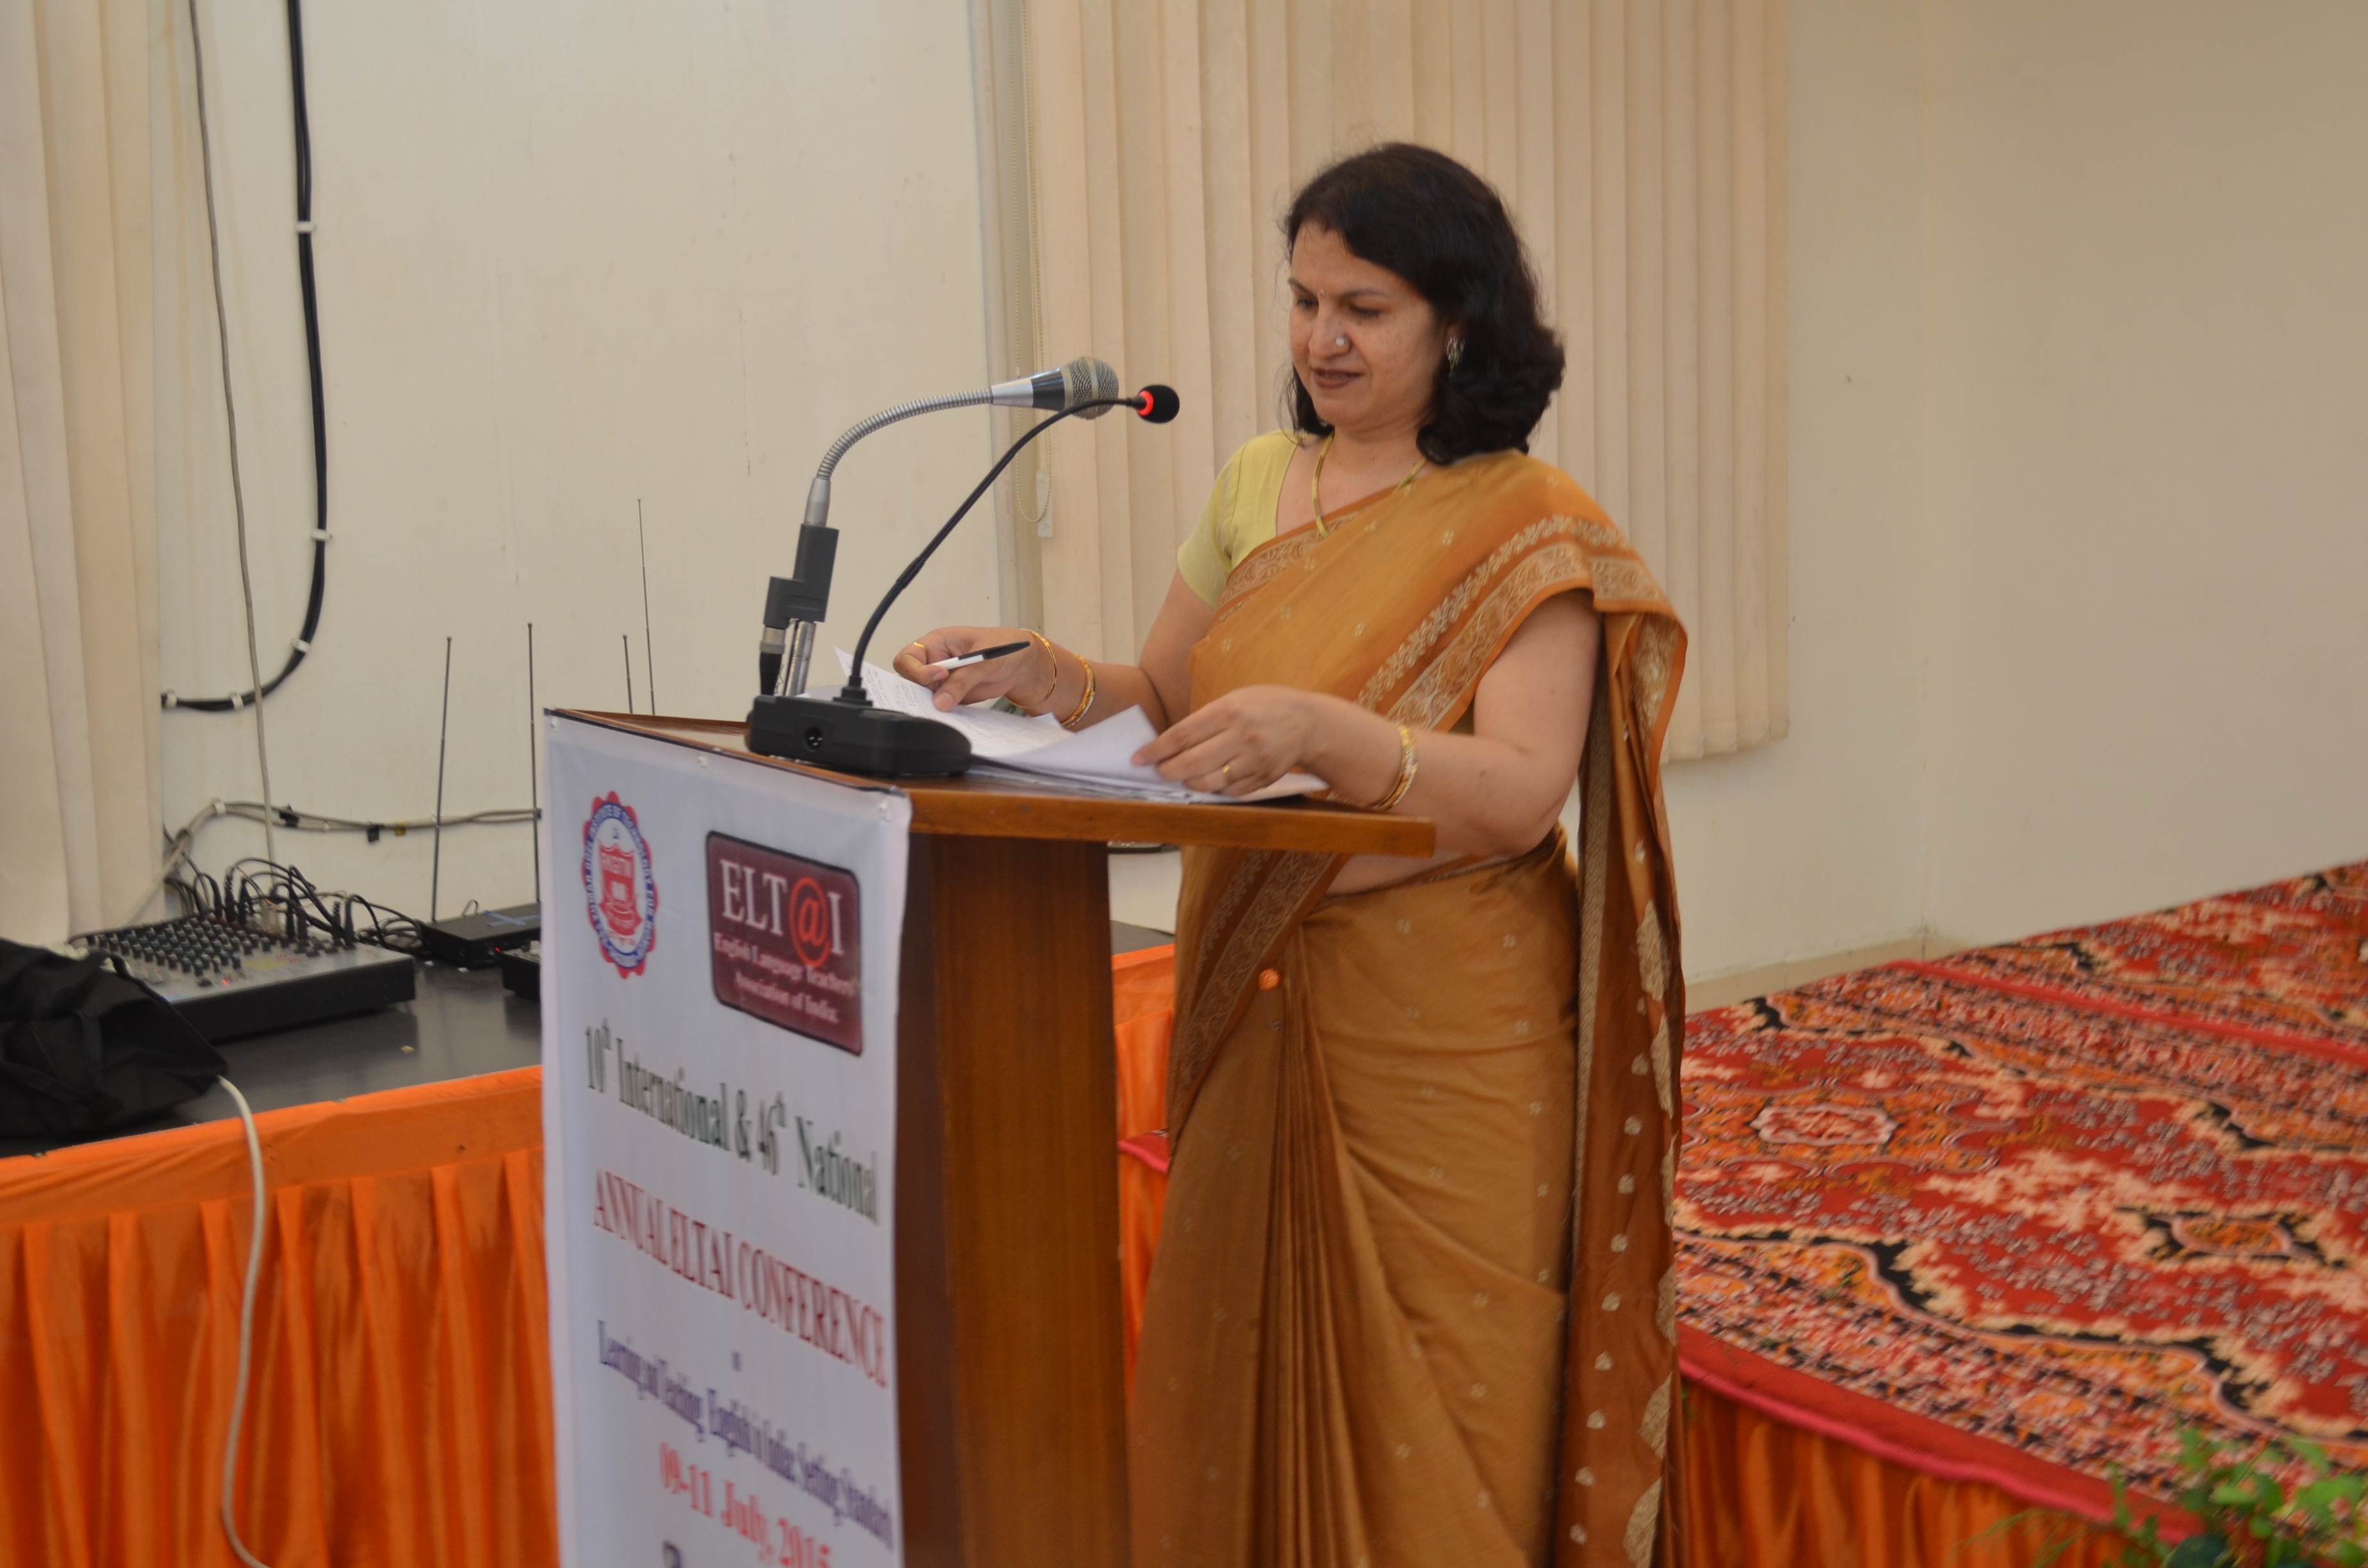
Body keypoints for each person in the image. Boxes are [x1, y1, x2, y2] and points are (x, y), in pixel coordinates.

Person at [892, 143, 1686, 1568]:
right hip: (1255, 993)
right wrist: (1048, 675)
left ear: (1458, 322)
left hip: (1448, 1029)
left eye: (1364, 309)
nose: (1323, 339)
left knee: (1446, 1409)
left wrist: (1330, 733)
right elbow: (1170, 694)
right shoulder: (1262, 481)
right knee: (1241, 1375)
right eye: (1306, 300)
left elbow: (1520, 794)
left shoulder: (1528, 524)